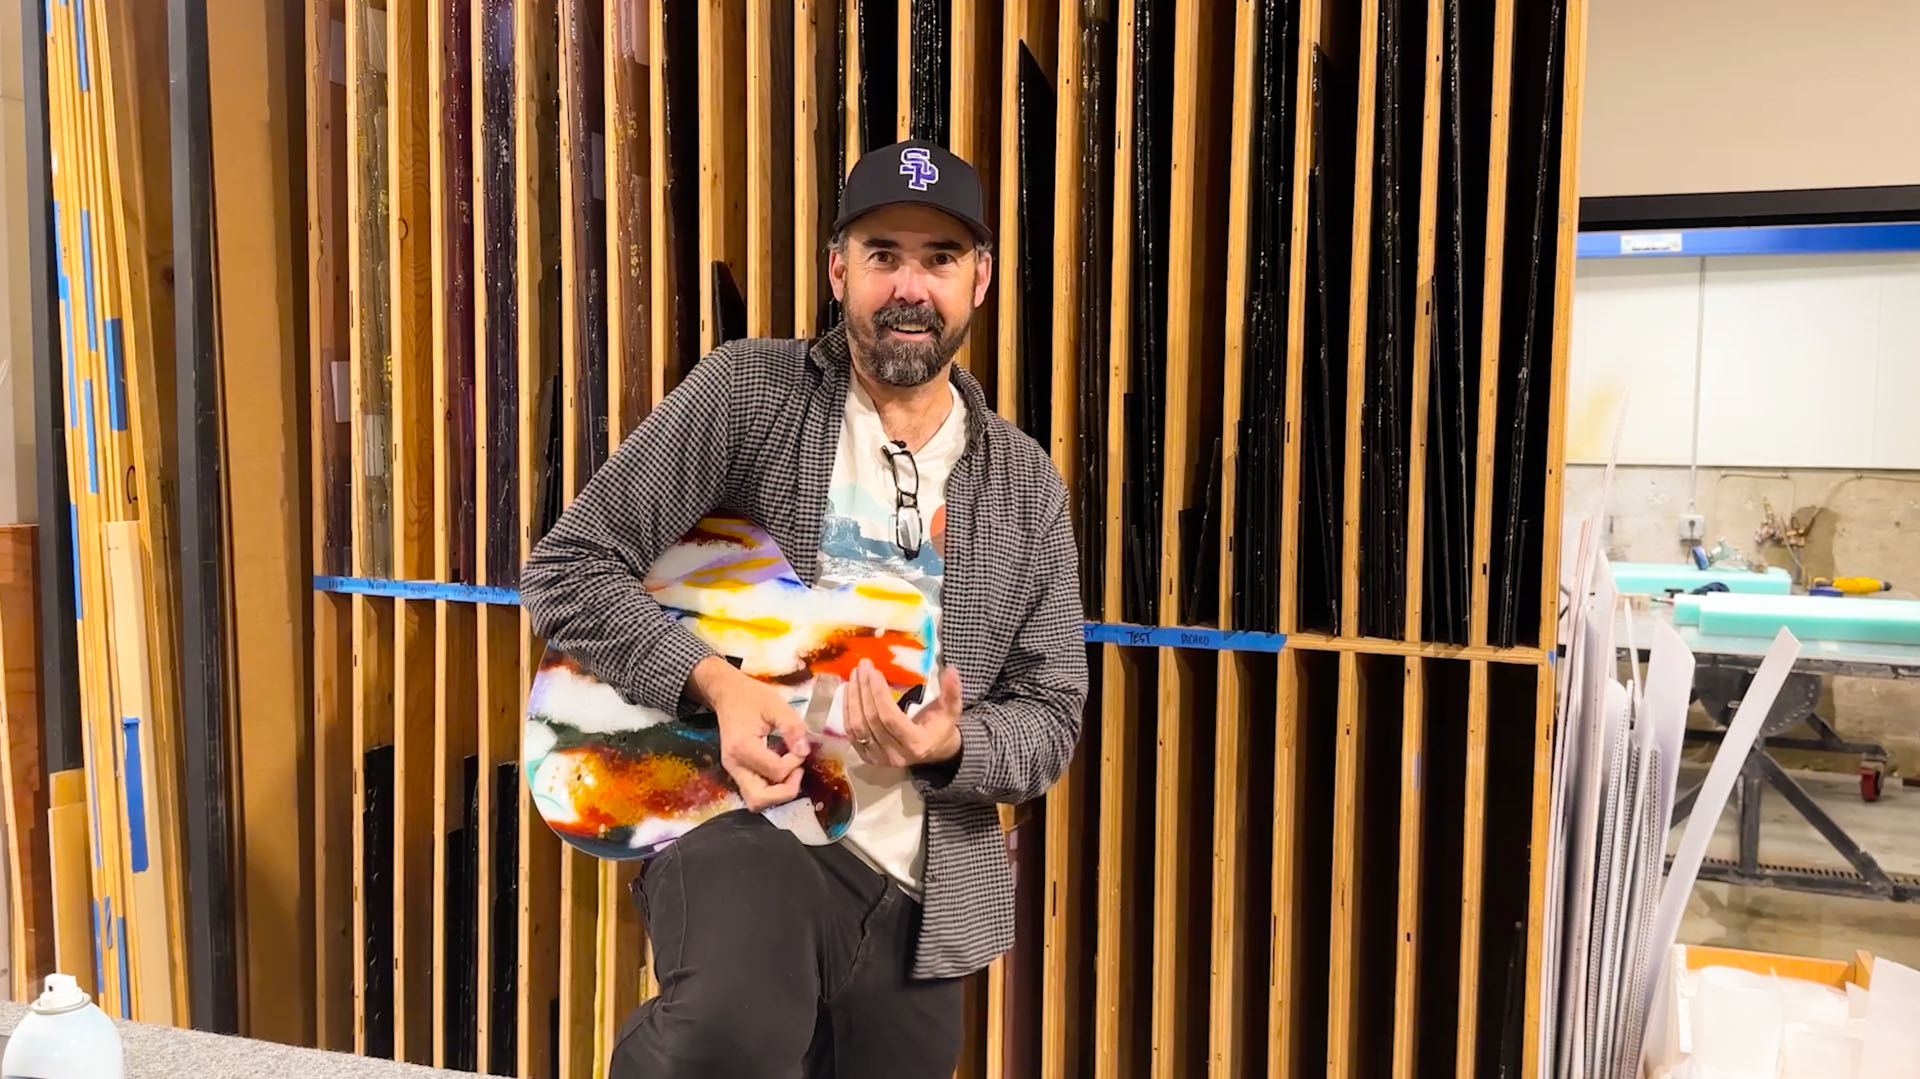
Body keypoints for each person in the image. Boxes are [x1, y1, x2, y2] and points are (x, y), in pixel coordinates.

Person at [519, 139, 1088, 1078]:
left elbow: (1050, 719)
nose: (911, 286)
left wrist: (949, 746)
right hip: (746, 823)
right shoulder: (749, 393)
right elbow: (570, 568)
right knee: (722, 1042)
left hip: (925, 895)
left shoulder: (1027, 486)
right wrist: (716, 685)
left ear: (980, 280)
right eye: (883, 255)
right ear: (838, 270)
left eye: (940, 259)